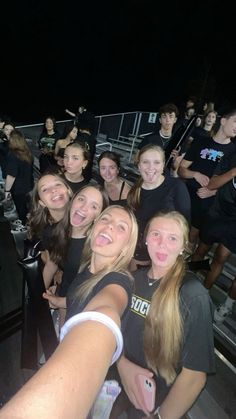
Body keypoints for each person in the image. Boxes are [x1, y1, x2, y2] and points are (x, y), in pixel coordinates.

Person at [0, 206, 138, 417]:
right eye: (106, 219)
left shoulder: (118, 282)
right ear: (94, 228)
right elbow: (83, 298)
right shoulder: (90, 267)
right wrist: (61, 301)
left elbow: (105, 310)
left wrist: (100, 324)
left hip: (96, 381)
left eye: (121, 227)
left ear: (126, 247)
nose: (110, 225)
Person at [110, 211, 215, 418]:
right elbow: (114, 333)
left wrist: (161, 416)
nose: (162, 244)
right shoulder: (131, 280)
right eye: (156, 234)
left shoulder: (193, 295)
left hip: (156, 402)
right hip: (117, 384)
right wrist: (122, 364)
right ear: (146, 239)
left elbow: (194, 376)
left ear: (185, 246)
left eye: (172, 238)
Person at [178, 106, 236, 249]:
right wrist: (195, 174)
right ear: (223, 121)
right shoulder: (201, 142)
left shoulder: (234, 151)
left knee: (198, 241)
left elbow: (232, 184)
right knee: (180, 232)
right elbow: (181, 170)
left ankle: (190, 267)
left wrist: (214, 191)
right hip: (188, 196)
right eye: (235, 122)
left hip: (212, 204)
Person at [127, 144, 191, 270]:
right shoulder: (135, 190)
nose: (151, 168)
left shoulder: (176, 187)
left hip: (165, 250)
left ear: (163, 166)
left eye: (156, 162)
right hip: (140, 252)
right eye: (146, 162)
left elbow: (185, 224)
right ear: (139, 166)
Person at [192, 151, 236, 322]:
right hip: (217, 213)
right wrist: (233, 172)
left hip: (234, 222)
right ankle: (190, 279)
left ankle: (204, 295)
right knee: (201, 249)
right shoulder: (231, 154)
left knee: (221, 256)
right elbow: (212, 184)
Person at [4, 129, 34, 225]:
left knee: (21, 211)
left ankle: (25, 228)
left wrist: (7, 190)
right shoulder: (27, 152)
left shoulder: (12, 155)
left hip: (18, 189)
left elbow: (11, 175)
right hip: (29, 186)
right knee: (29, 209)